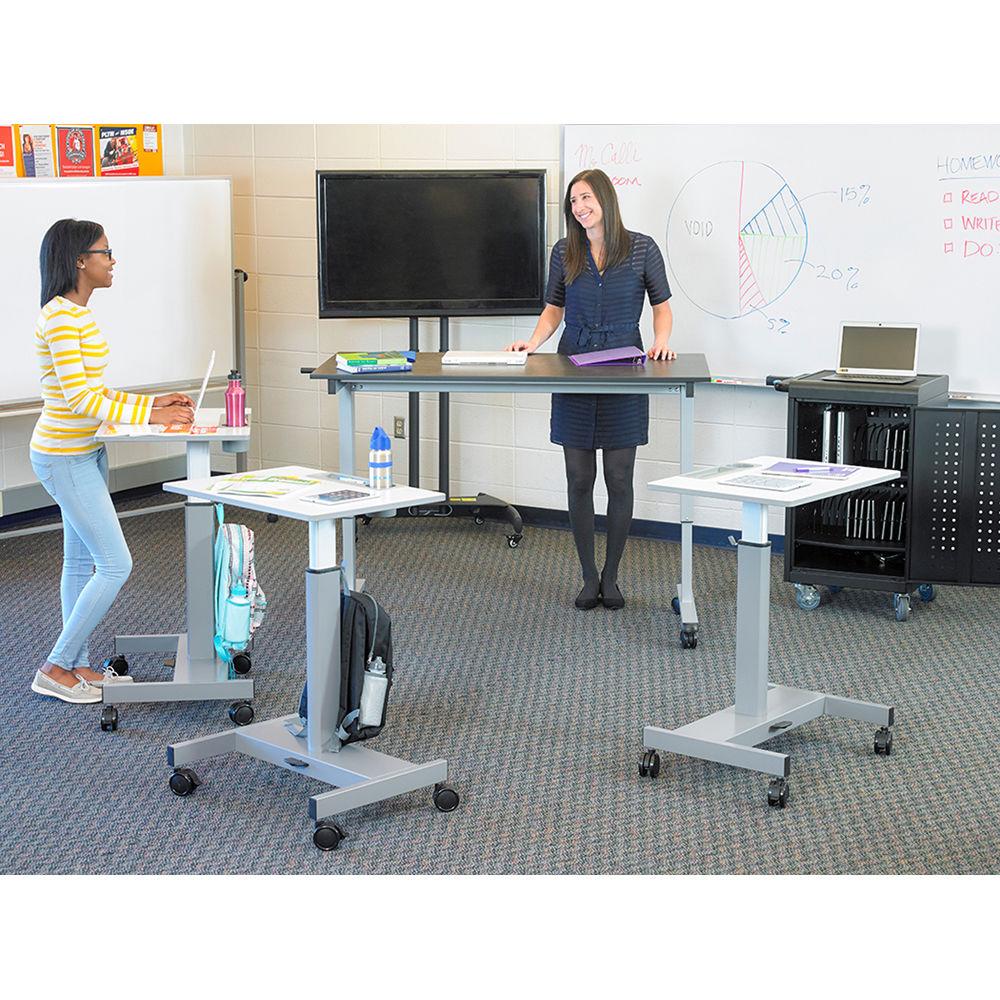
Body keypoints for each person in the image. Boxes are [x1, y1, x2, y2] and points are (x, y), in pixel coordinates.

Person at [29, 219, 195, 704]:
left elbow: (96, 391)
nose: (112, 260)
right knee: (115, 563)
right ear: (80, 260)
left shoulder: (79, 315)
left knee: (80, 562)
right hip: (63, 457)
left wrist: (155, 404)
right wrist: (152, 416)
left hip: (87, 451)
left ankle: (76, 664)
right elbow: (81, 400)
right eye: (105, 252)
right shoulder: (60, 318)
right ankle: (55, 666)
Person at [507, 169, 675, 610]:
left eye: (585, 198)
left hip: (624, 367)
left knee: (619, 478)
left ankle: (612, 577)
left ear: (605, 198)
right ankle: (586, 577)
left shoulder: (642, 248)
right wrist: (533, 341)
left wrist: (661, 341)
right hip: (573, 367)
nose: (579, 207)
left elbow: (662, 307)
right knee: (579, 477)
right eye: (573, 201)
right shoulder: (565, 251)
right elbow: (553, 309)